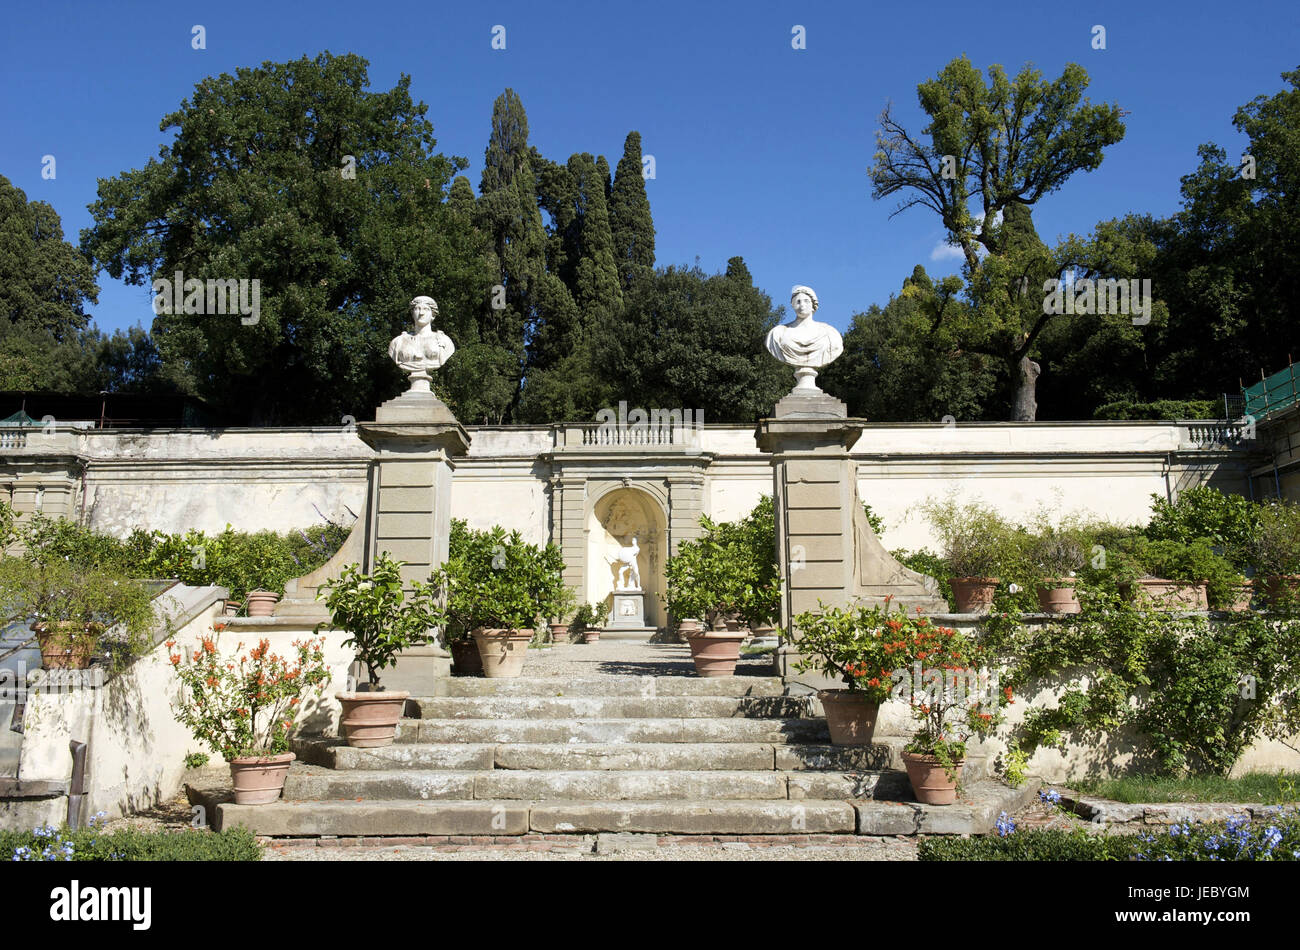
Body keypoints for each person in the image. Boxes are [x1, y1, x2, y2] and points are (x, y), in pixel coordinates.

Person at [765, 285, 843, 369]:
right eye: (798, 302)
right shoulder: (778, 333)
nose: (802, 305)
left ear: (813, 305)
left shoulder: (830, 334)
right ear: (792, 305)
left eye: (806, 301)